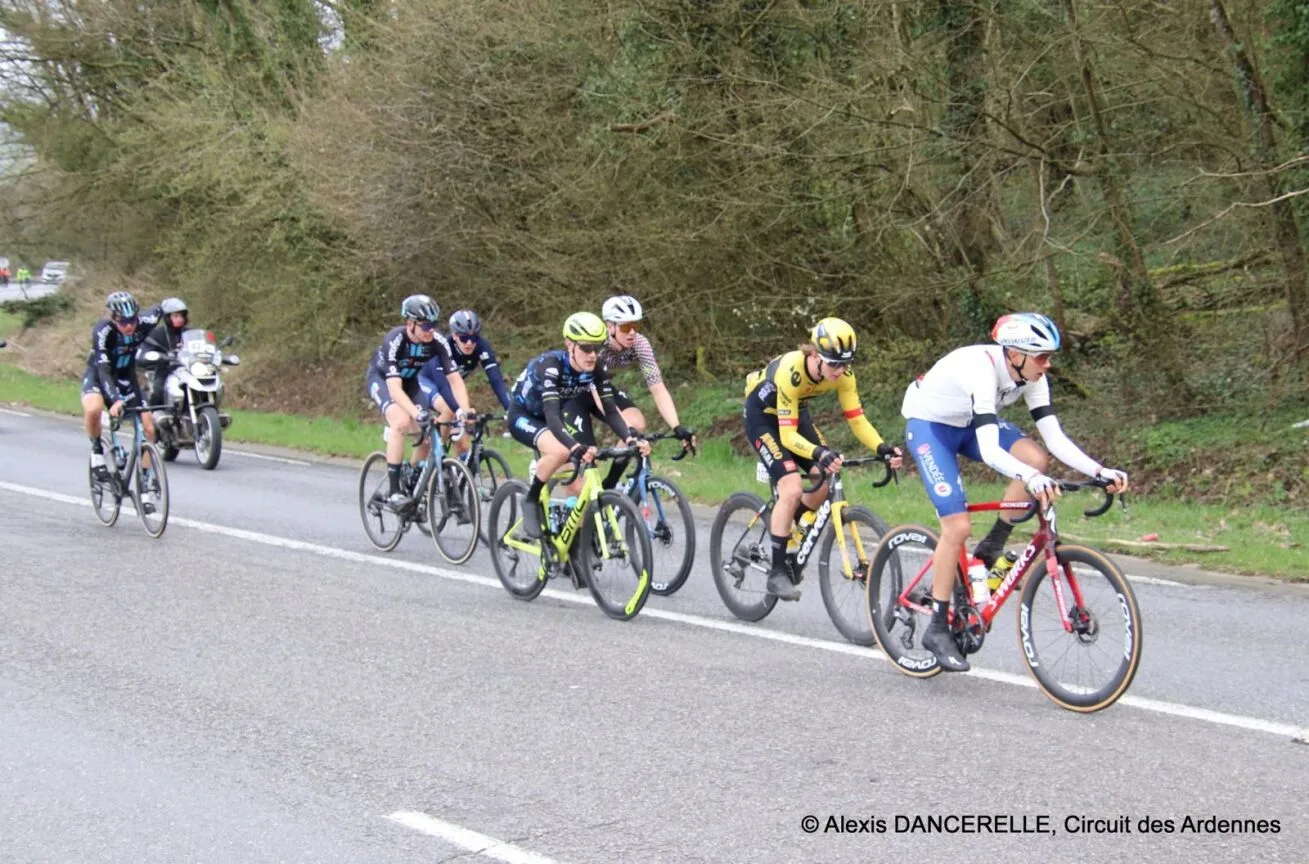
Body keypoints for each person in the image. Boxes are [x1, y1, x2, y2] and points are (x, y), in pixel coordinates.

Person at [901, 312, 1130, 673]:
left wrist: (1100, 471)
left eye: (1049, 356)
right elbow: (991, 451)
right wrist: (1030, 479)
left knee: (1034, 458)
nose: (1048, 364)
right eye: (1042, 357)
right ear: (1015, 354)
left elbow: (1054, 438)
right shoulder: (981, 369)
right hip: (931, 427)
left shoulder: (1031, 375)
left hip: (968, 423)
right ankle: (938, 627)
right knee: (957, 527)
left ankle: (992, 544)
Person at [742, 317, 904, 601]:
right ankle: (777, 573)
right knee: (792, 487)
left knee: (825, 476)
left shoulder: (844, 375)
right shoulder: (792, 370)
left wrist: (882, 448)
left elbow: (857, 419)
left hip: (794, 413)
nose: (840, 371)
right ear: (815, 354)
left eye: (845, 364)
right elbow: (788, 437)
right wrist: (819, 452)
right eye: (834, 364)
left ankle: (788, 525)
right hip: (763, 418)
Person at [506, 311, 650, 539]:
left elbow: (611, 411)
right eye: (585, 348)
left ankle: (572, 541)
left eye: (596, 347)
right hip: (523, 416)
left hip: (552, 417)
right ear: (569, 344)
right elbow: (552, 416)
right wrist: (574, 447)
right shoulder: (551, 366)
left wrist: (630, 438)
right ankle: (531, 498)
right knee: (561, 451)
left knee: (580, 480)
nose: (592, 355)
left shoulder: (596, 368)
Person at [364, 294, 473, 511]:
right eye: (425, 326)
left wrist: (464, 410)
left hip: (411, 383)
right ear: (410, 323)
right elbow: (395, 389)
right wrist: (416, 413)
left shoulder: (437, 342)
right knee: (401, 422)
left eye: (434, 325)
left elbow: (455, 380)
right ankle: (394, 492)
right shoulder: (395, 340)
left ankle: (412, 479)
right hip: (384, 381)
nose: (430, 330)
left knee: (427, 433)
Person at [80, 291, 163, 482]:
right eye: (123, 322)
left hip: (126, 377)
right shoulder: (103, 331)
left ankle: (146, 479)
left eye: (132, 321)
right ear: (113, 319)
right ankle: (97, 451)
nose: (129, 326)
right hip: (99, 376)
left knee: (149, 428)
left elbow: (161, 309)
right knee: (93, 409)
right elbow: (103, 370)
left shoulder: (144, 322)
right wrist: (115, 400)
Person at [418, 309, 511, 454]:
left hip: (452, 387)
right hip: (427, 382)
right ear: (454, 335)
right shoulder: (443, 347)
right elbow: (442, 384)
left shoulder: (482, 346)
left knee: (464, 443)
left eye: (474, 338)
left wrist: (509, 408)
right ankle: (435, 455)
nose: (469, 343)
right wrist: (460, 410)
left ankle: (458, 466)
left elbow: (495, 379)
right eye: (464, 338)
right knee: (449, 410)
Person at [139, 297, 191, 409]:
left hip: (188, 370)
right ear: (167, 318)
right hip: (166, 370)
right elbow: (143, 353)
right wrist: (158, 356)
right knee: (158, 390)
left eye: (182, 316)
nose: (180, 319)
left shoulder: (190, 333)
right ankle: (153, 413)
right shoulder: (157, 333)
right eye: (176, 316)